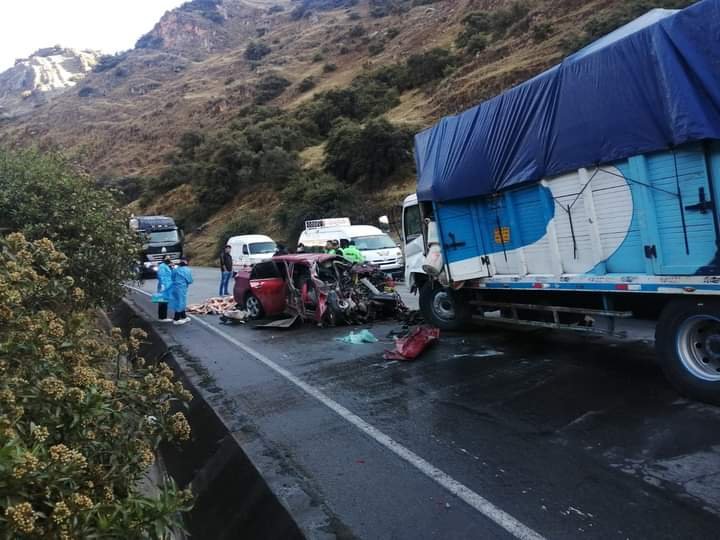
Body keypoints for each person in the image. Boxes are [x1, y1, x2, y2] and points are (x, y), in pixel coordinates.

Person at [170, 257, 194, 325]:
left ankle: (183, 316)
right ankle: (176, 319)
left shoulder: (176, 269)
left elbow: (172, 277)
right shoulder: (187, 270)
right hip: (181, 288)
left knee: (180, 302)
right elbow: (190, 280)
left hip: (175, 287)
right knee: (180, 302)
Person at [156, 256, 174, 322]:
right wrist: (162, 284)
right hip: (164, 286)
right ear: (164, 259)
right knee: (162, 301)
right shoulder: (162, 266)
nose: (169, 259)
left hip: (168, 286)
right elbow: (161, 275)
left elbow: (172, 274)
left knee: (165, 301)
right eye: (167, 258)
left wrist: (172, 267)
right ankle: (162, 317)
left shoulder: (167, 266)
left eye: (169, 258)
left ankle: (163, 317)